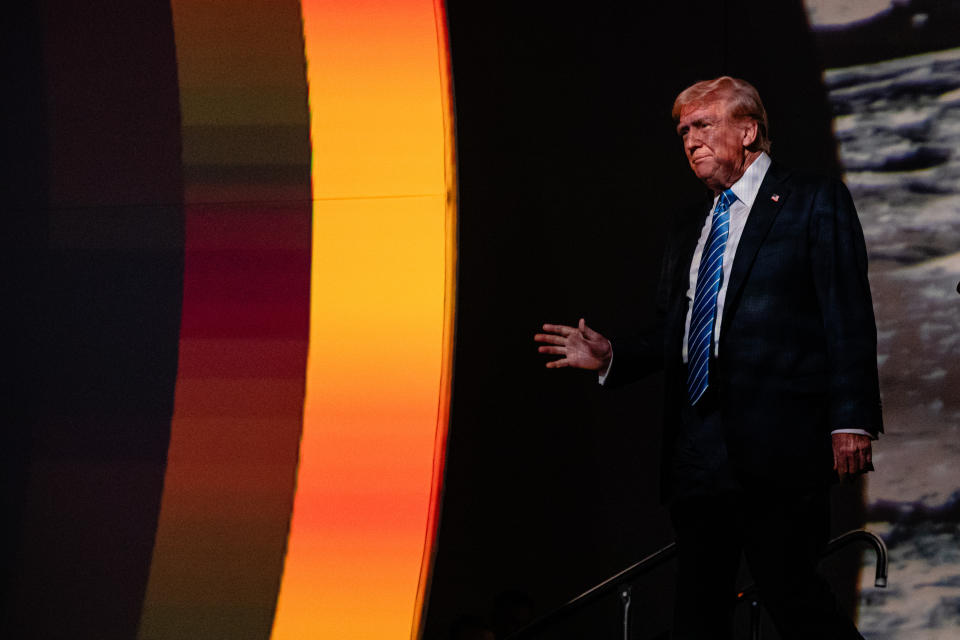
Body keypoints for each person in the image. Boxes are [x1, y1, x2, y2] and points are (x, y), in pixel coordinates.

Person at [534, 77, 882, 640]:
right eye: (683, 132)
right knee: (697, 611)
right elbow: (677, 330)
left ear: (748, 131)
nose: (690, 141)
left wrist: (851, 418)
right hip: (698, 445)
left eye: (703, 126)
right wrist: (613, 356)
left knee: (791, 592)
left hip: (780, 439)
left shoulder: (812, 199)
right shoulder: (689, 224)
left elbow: (847, 312)